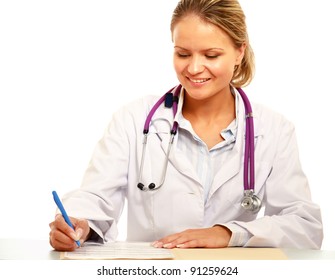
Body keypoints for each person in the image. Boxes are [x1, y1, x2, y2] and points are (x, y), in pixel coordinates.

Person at [49, 0, 323, 251]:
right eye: (183, 54)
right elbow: (96, 196)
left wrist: (228, 234)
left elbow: (304, 227)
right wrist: (78, 222)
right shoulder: (134, 119)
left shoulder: (274, 130)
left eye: (211, 55)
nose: (193, 68)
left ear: (239, 52)